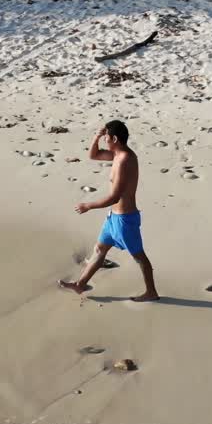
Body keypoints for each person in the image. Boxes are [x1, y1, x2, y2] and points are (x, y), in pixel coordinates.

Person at [60, 121, 160, 302]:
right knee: (99, 250)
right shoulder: (117, 154)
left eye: (106, 138)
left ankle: (151, 292)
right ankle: (80, 284)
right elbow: (94, 155)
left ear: (115, 139)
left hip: (125, 220)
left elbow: (115, 197)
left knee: (139, 257)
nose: (105, 140)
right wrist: (96, 137)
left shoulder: (125, 160)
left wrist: (88, 205)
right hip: (113, 218)